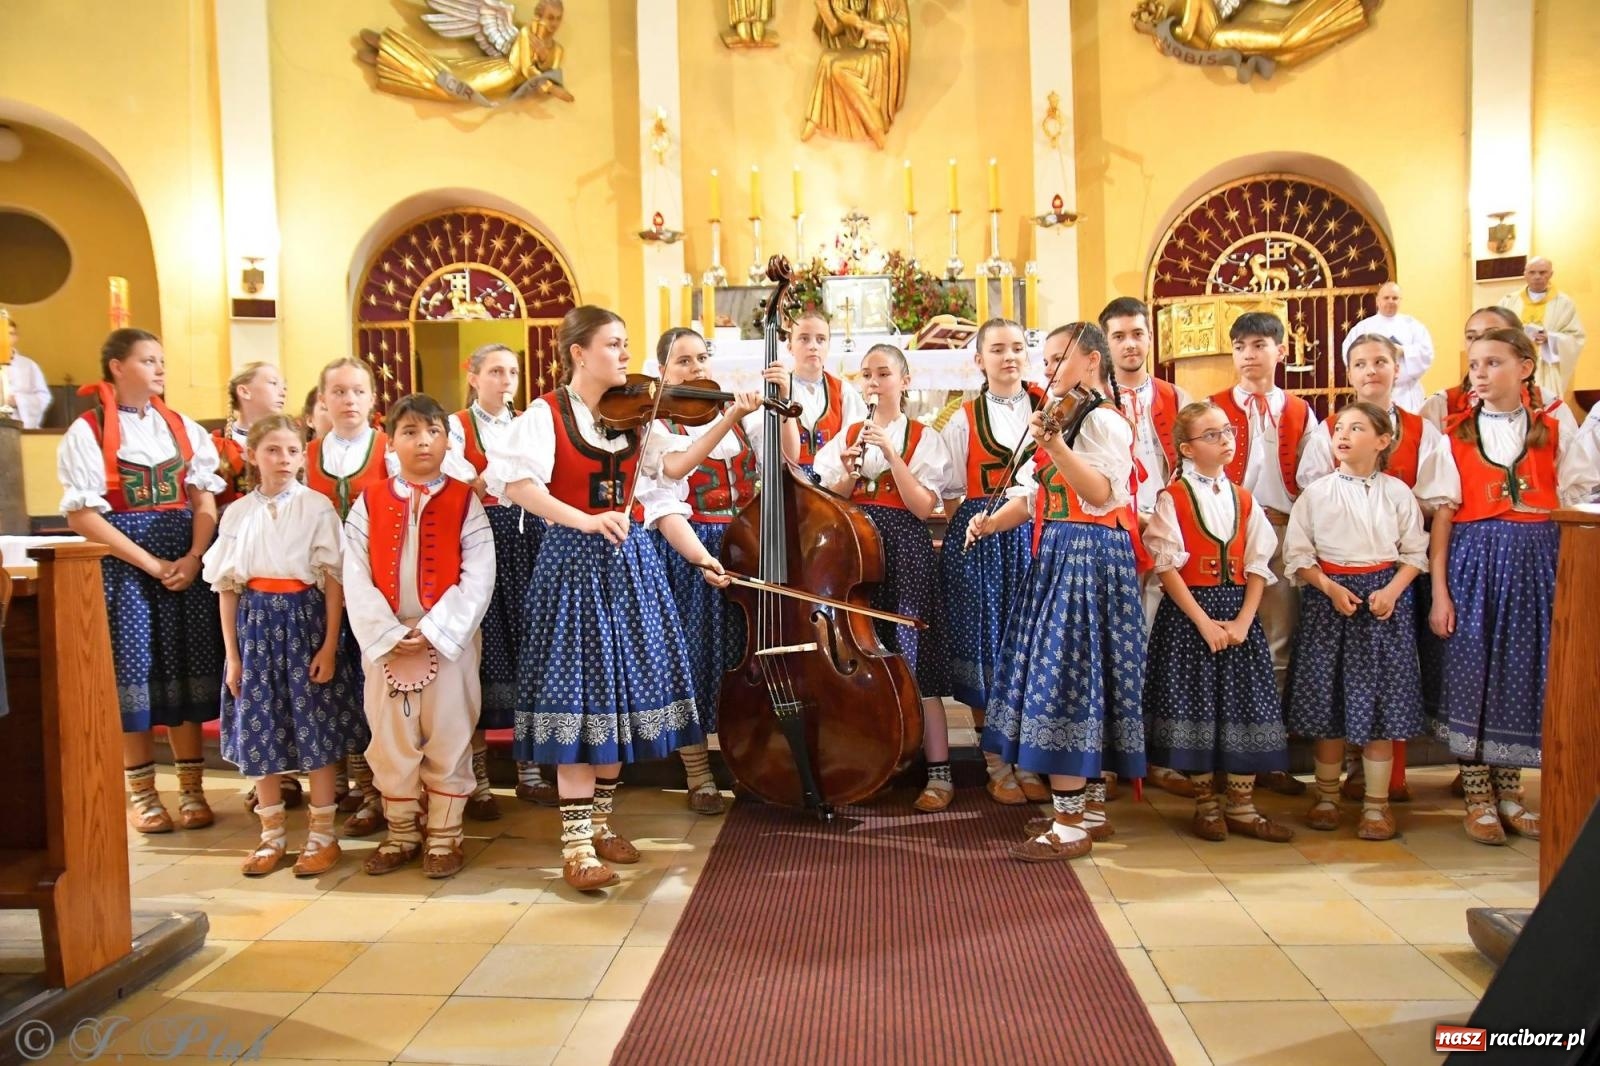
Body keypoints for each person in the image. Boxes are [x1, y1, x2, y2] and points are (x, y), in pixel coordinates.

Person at [486, 306, 720, 892]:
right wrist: (585, 521)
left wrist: (701, 557)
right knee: (579, 704)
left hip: (631, 570)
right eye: (613, 344)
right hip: (572, 569)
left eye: (625, 343)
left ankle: (599, 823)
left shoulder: (638, 418)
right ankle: (576, 846)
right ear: (579, 352)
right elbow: (519, 487)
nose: (624, 354)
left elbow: (669, 481)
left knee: (620, 703)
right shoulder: (545, 414)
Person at [969, 323, 1146, 859]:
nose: (1046, 369)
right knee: (1079, 679)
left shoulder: (1104, 421)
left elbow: (1101, 492)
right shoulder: (1063, 416)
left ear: (1091, 360)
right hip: (1062, 553)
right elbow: (1031, 498)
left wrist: (1054, 446)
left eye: (1056, 358)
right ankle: (1088, 811)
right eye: (1044, 360)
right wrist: (990, 523)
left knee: (1066, 680)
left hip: (1086, 556)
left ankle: (1069, 825)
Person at [1431, 328, 1598, 845]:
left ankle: (1510, 790)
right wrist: (1440, 592)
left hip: (1537, 562)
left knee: (1522, 672)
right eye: (1475, 364)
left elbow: (1575, 498)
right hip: (1474, 563)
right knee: (1472, 671)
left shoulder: (1554, 428)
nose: (1480, 373)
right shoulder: (1454, 435)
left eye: (1493, 362)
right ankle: (1476, 794)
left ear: (1525, 368)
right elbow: (1443, 518)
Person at [57, 328, 225, 834]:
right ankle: (144, 795)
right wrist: (150, 564)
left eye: (161, 360)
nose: (160, 369)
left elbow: (204, 499)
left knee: (189, 671)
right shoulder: (88, 430)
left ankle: (192, 789)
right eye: (148, 360)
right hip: (125, 568)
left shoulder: (182, 427)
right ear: (117, 366)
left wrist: (194, 557)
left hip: (185, 564)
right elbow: (83, 515)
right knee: (135, 676)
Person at [642, 327, 798, 815]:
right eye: (683, 361)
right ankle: (698, 773)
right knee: (694, 660)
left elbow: (788, 459)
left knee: (748, 661)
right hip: (694, 552)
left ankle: (745, 765)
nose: (696, 369)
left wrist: (782, 402)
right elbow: (667, 499)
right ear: (663, 372)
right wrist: (700, 558)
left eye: (701, 358)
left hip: (748, 549)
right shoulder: (658, 427)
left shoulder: (738, 417)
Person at [1300, 334, 1458, 802]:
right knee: (1331, 695)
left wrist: (1392, 582)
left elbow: (1423, 530)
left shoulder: (1419, 436)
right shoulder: (1323, 467)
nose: (1371, 370)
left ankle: (1382, 792)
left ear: (1397, 368)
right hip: (1333, 587)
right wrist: (1330, 583)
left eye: (1381, 362)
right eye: (1360, 363)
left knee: (1384, 695)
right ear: (1349, 372)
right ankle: (1331, 792)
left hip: (1390, 583)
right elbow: (1304, 539)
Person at [343, 393, 496, 877]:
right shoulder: (369, 501)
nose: (423, 441)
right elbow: (353, 573)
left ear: (448, 440)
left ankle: (446, 837)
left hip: (448, 640)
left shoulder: (465, 501)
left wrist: (434, 629)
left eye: (433, 431)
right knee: (390, 737)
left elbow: (479, 574)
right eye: (410, 432)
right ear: (391, 441)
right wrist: (388, 632)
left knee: (449, 732)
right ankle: (401, 833)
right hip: (386, 644)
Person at [203, 414, 356, 877]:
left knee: (316, 727)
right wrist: (232, 656)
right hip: (255, 630)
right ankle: (271, 837)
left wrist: (329, 646)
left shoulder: (317, 507)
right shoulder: (237, 514)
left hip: (305, 623)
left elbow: (333, 581)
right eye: (272, 450)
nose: (283, 459)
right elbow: (227, 587)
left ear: (303, 456)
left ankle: (323, 835)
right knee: (261, 728)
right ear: (253, 455)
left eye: (292, 450)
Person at [1142, 400, 1290, 843]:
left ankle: (1242, 806)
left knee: (1245, 705)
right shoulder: (1173, 498)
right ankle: (1206, 805)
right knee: (1196, 707)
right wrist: (1204, 623)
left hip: (1238, 613)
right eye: (1212, 435)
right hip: (1190, 616)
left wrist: (1244, 620)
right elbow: (1166, 567)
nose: (1225, 440)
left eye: (1227, 431)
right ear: (1187, 448)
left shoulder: (1244, 498)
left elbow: (1258, 563)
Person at [816, 343, 954, 812]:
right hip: (858, 553)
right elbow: (833, 495)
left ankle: (938, 773)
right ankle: (874, 766)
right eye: (867, 375)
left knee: (914, 661)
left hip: (906, 553)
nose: (874, 383)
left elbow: (924, 506)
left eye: (884, 374)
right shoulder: (850, 433)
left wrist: (893, 455)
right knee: (861, 656)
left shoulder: (924, 437)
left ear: (904, 381)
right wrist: (848, 473)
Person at [1285, 402, 1428, 842]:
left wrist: (1392, 591)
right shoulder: (1317, 494)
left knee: (1380, 708)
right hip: (1330, 603)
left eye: (1357, 428)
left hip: (1382, 605)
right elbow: (1298, 555)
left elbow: (1414, 553)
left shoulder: (1397, 493)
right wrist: (1328, 587)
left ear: (1383, 441)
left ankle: (1375, 805)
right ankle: (1327, 797)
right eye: (1339, 429)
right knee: (1328, 706)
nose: (1343, 436)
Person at [938, 318, 1048, 806]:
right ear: (979, 360)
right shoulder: (963, 417)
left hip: (1035, 536)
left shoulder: (1049, 408)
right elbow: (949, 492)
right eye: (998, 349)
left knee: (1029, 647)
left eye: (1017, 347)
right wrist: (977, 525)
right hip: (981, 539)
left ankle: (1028, 760)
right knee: (986, 649)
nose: (1009, 357)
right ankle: (996, 764)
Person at [1210, 312, 1319, 795]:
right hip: (1222, 536)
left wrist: (1296, 525)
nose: (1249, 355)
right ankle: (1216, 754)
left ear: (1281, 351)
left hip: (1278, 532)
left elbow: (1314, 482)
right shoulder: (1211, 408)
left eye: (1258, 345)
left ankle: (1268, 753)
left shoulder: (1300, 411)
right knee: (1220, 638)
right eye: (1240, 346)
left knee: (1277, 642)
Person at [443, 344, 546, 819]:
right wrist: (494, 475)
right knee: (482, 655)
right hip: (479, 543)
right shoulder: (456, 428)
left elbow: (539, 479)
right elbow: (466, 485)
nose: (506, 381)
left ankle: (530, 770)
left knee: (529, 649)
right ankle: (479, 778)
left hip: (528, 542)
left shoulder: (527, 423)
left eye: (512, 373)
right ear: (474, 376)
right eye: (496, 372)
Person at [1101, 297, 1194, 800]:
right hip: (1113, 533)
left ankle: (1160, 755)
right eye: (1118, 336)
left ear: (1150, 338)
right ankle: (1112, 756)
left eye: (1137, 333)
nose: (1130, 344)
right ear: (1105, 344)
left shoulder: (1177, 398)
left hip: (1163, 533)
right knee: (1115, 647)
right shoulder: (1093, 401)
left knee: (1161, 643)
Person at [305, 357, 396, 838]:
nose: (348, 400)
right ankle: (344, 779)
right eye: (338, 392)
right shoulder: (305, 454)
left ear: (373, 399)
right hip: (319, 587)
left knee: (371, 685)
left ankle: (377, 789)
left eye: (358, 391)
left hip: (375, 584)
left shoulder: (387, 449)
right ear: (323, 399)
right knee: (330, 681)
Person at [787, 309, 868, 478]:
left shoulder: (842, 391)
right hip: (789, 479)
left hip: (833, 479)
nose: (813, 346)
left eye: (821, 339)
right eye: (804, 339)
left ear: (828, 346)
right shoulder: (779, 389)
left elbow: (853, 439)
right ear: (790, 347)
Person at [1339, 282, 1436, 413]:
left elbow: (1427, 353)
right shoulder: (1363, 327)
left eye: (1395, 298)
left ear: (1400, 300)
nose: (1390, 301)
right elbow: (1350, 355)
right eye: (1386, 298)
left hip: (1406, 393)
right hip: (1373, 392)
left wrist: (1404, 351)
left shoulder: (1413, 326)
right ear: (1378, 301)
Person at [1498, 257, 1587, 398]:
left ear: (1551, 274)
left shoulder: (1564, 303)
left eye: (1542, 272)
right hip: (1514, 363)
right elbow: (1497, 331)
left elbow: (1576, 337)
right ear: (1525, 274)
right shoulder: (1508, 301)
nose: (1537, 277)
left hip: (1546, 367)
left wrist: (1550, 338)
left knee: (1546, 403)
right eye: (1532, 272)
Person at [214, 363, 289, 509]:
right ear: (244, 391)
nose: (282, 392)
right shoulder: (215, 442)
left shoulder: (291, 442)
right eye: (273, 383)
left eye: (284, 387)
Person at [4, 317, 52, 429]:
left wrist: (18, 401)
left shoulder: (29, 365)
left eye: (10, 334)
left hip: (21, 425)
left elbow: (44, 397)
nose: (4, 338)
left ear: (16, 337)